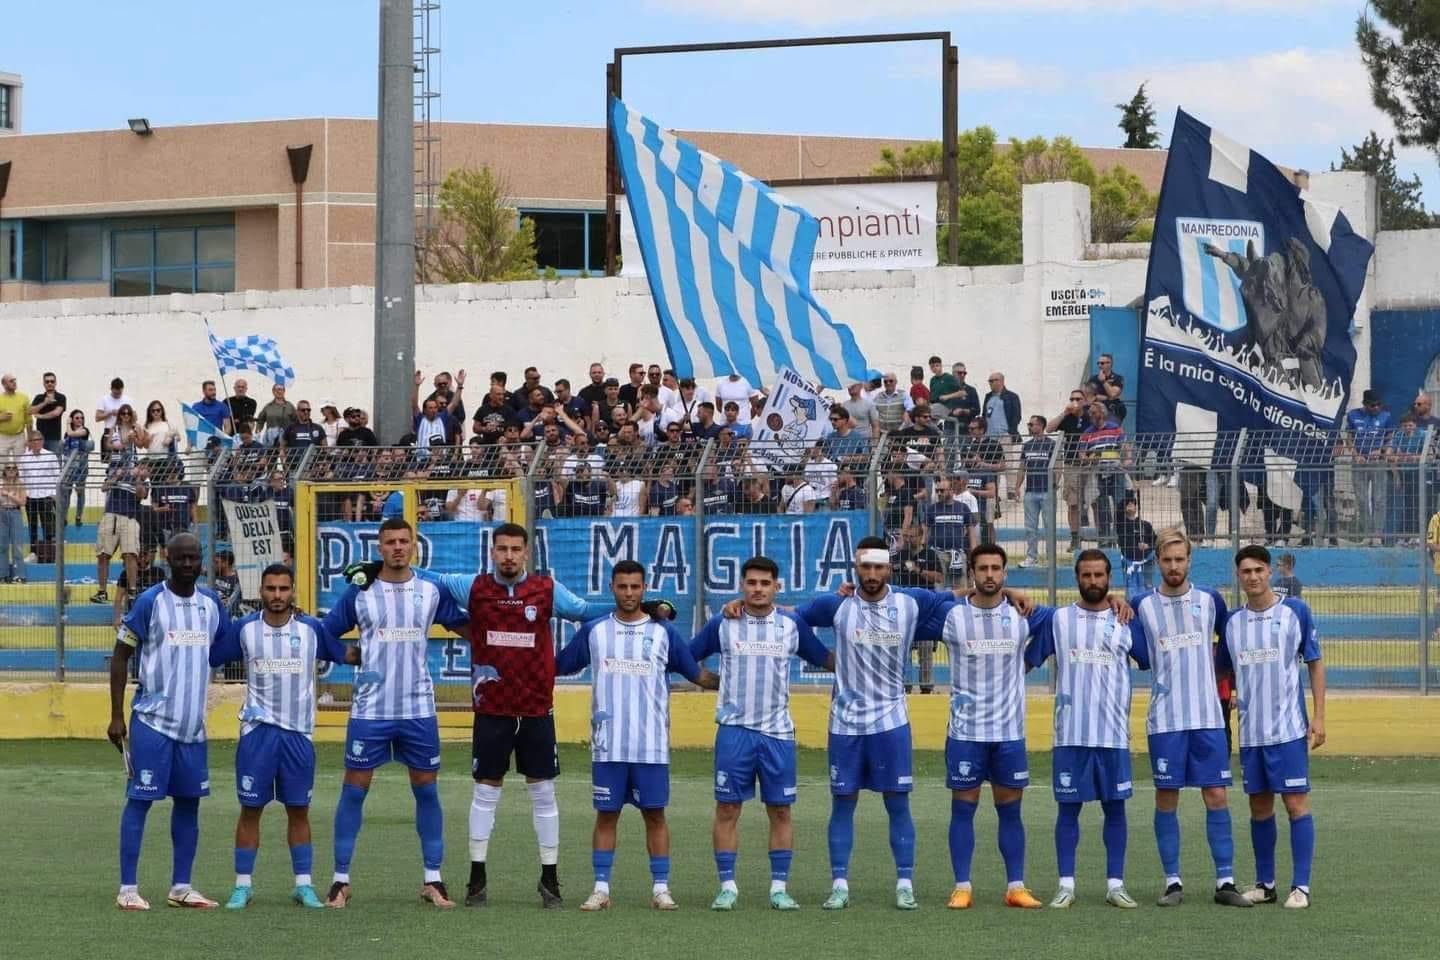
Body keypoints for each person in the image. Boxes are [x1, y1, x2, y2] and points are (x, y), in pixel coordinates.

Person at [395, 523, 616, 909]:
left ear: (527, 553)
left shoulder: (546, 589)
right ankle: (477, 877)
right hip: (492, 709)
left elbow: (583, 612)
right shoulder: (474, 587)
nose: (509, 556)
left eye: (516, 549)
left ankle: (550, 877)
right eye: (502, 549)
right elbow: (428, 577)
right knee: (485, 790)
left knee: (543, 792)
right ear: (492, 552)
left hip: (535, 708)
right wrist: (382, 569)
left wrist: (640, 608)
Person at [790, 536, 955, 910]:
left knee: (898, 804)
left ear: (889, 568)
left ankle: (905, 884)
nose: (872, 573)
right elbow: (791, 620)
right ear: (855, 568)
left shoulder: (911, 601)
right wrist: (823, 657)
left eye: (879, 566)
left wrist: (1010, 593)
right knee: (842, 804)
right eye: (865, 566)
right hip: (845, 725)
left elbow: (956, 599)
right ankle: (839, 885)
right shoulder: (837, 604)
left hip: (891, 724)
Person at [319, 518, 471, 909]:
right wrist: (346, 655)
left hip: (418, 708)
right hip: (370, 710)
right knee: (354, 789)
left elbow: (466, 626)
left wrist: (500, 645)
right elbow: (324, 633)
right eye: (390, 542)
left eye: (404, 541)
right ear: (380, 547)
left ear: (414, 546)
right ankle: (340, 881)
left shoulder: (431, 591)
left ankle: (433, 879)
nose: (398, 547)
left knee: (427, 789)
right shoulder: (361, 592)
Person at [556, 560, 717, 911]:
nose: (629, 593)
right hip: (608, 747)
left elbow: (698, 675)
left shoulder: (664, 633)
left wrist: (735, 683)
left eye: (635, 587)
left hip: (651, 748)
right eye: (622, 586)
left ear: (644, 589)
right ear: (612, 588)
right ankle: (601, 889)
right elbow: (559, 665)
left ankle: (661, 889)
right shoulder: (595, 631)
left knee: (655, 816)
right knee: (606, 816)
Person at [209, 564, 358, 910]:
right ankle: (242, 886)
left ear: (293, 591)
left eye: (283, 589)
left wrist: (384, 644)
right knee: (250, 810)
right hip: (257, 733)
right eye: (271, 588)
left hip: (298, 735)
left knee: (299, 810)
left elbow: (346, 654)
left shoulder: (311, 629)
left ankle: (303, 885)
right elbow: (213, 654)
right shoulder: (245, 629)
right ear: (261, 591)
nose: (277, 595)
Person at [689, 556, 834, 911]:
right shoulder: (724, 622)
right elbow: (684, 656)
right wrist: (710, 681)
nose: (757, 589)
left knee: (781, 811)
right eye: (751, 583)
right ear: (742, 585)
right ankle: (727, 888)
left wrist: (864, 658)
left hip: (777, 734)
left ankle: (779, 889)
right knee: (727, 809)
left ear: (776, 587)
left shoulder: (791, 625)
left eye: (764, 583)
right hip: (734, 732)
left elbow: (825, 658)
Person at [107, 532, 232, 910]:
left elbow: (226, 645)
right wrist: (116, 715)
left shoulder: (211, 603)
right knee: (140, 801)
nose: (188, 564)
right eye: (181, 558)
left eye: (193, 557)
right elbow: (120, 655)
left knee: (189, 803)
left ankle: (181, 887)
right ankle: (128, 888)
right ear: (168, 558)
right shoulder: (150, 602)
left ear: (202, 560)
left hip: (193, 728)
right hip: (152, 723)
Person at [1130, 529, 1251, 908]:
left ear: (1189, 561)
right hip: (1165, 720)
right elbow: (1135, 650)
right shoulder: (1141, 605)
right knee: (1167, 797)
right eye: (1167, 560)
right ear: (1158, 562)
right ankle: (1172, 882)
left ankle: (1225, 881)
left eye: (1179, 559)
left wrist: (1229, 687)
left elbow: (1231, 642)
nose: (1173, 566)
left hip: (1208, 718)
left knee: (1216, 794)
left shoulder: (1210, 600)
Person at [1030, 549, 1150, 909]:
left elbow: (1146, 658)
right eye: (1087, 575)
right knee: (1068, 810)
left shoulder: (1125, 620)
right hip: (1070, 735)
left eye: (1099, 575)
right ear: (1077, 577)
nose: (1093, 581)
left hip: (1113, 736)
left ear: (1109, 577)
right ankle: (1066, 885)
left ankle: (1115, 885)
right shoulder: (1059, 619)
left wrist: (1127, 604)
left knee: (1115, 809)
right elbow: (1029, 658)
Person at [938, 544, 1052, 910]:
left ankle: (1015, 886)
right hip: (966, 734)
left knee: (1011, 812)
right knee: (963, 810)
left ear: (1005, 572)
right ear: (972, 573)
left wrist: (1029, 662)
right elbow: (918, 600)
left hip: (1008, 734)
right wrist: (963, 592)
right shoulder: (953, 616)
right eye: (983, 568)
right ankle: (962, 887)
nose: (990, 574)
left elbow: (1065, 620)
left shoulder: (1023, 614)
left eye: (996, 568)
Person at [1216, 545, 1326, 909]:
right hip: (1251, 735)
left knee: (1295, 804)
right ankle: (1266, 884)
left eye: (1258, 570)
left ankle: (1301, 887)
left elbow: (1314, 663)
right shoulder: (1232, 622)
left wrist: (1319, 717)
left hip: (1289, 731)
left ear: (1269, 572)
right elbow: (1222, 671)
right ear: (1238, 576)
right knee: (1259, 808)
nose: (1253, 577)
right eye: (1246, 571)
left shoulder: (1295, 611)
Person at [92, 457, 149, 605]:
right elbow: (104, 487)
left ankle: (132, 592)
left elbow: (141, 495)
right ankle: (102, 592)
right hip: (111, 515)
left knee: (130, 554)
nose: (145, 471)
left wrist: (138, 479)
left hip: (130, 518)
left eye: (148, 470)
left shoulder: (145, 483)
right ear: (138, 465)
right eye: (143, 467)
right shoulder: (121, 473)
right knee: (103, 554)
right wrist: (117, 476)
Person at [1345, 389, 1393, 545]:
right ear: (1365, 404)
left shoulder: (1386, 416)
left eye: (1379, 405)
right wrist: (1355, 455)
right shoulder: (1353, 415)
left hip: (1378, 462)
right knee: (1362, 499)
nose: (1376, 408)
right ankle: (1366, 534)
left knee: (1379, 499)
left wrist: (1381, 451)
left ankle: (1377, 535)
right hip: (1359, 462)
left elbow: (1390, 438)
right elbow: (1349, 438)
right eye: (1372, 405)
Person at [1013, 415, 1056, 568]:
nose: (1029, 427)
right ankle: (1031, 556)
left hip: (1046, 491)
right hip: (1030, 491)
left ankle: (1051, 559)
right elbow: (1022, 467)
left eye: (1032, 424)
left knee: (1049, 527)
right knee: (1030, 527)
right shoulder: (1027, 446)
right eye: (1029, 424)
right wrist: (1017, 487)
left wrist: (1054, 485)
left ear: (1041, 426)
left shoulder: (1052, 444)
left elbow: (1058, 466)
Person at [18, 430, 60, 564]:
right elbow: (22, 479)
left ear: (42, 441)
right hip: (30, 497)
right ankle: (33, 553)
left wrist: (54, 496)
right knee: (32, 526)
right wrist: (24, 495)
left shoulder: (51, 456)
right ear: (29, 443)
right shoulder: (24, 458)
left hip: (46, 496)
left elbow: (57, 476)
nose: (36, 443)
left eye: (39, 440)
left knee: (48, 526)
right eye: (33, 440)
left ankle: (48, 554)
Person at [1115, 497, 1156, 597]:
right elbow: (1118, 512)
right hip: (1128, 562)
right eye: (1127, 503)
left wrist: (1147, 546)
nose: (1130, 504)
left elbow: (1156, 541)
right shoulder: (1121, 524)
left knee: (1147, 588)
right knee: (1130, 590)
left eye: (1132, 503)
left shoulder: (1145, 525)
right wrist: (1130, 493)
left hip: (1145, 562)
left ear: (1136, 508)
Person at [62, 410, 93, 526]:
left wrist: (67, 423)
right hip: (69, 465)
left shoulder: (84, 431)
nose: (80, 420)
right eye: (77, 418)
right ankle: (64, 516)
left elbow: (71, 434)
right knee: (67, 492)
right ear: (72, 419)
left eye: (82, 418)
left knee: (80, 492)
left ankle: (79, 516)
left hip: (81, 465)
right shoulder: (68, 432)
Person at [28, 372, 67, 455]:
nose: (50, 383)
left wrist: (40, 416)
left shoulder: (61, 397)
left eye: (52, 381)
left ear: (55, 383)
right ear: (44, 384)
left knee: (54, 461)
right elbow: (30, 411)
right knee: (40, 461)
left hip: (54, 439)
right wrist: (45, 403)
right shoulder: (39, 397)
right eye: (47, 381)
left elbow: (56, 413)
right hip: (39, 439)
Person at [0, 462, 25, 582]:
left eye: (13, 468)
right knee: (2, 546)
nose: (11, 470)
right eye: (8, 468)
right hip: (2, 513)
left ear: (17, 470)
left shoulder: (20, 484)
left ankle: (19, 575)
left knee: (17, 546)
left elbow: (22, 502)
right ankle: (2, 575)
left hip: (15, 513)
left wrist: (8, 494)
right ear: (4, 470)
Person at [0, 373, 32, 462]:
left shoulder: (23, 398)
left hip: (19, 436)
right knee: (1, 464)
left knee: (21, 463)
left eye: (14, 380)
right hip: (2, 437)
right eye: (11, 381)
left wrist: (30, 439)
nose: (14, 382)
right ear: (4, 384)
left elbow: (29, 420)